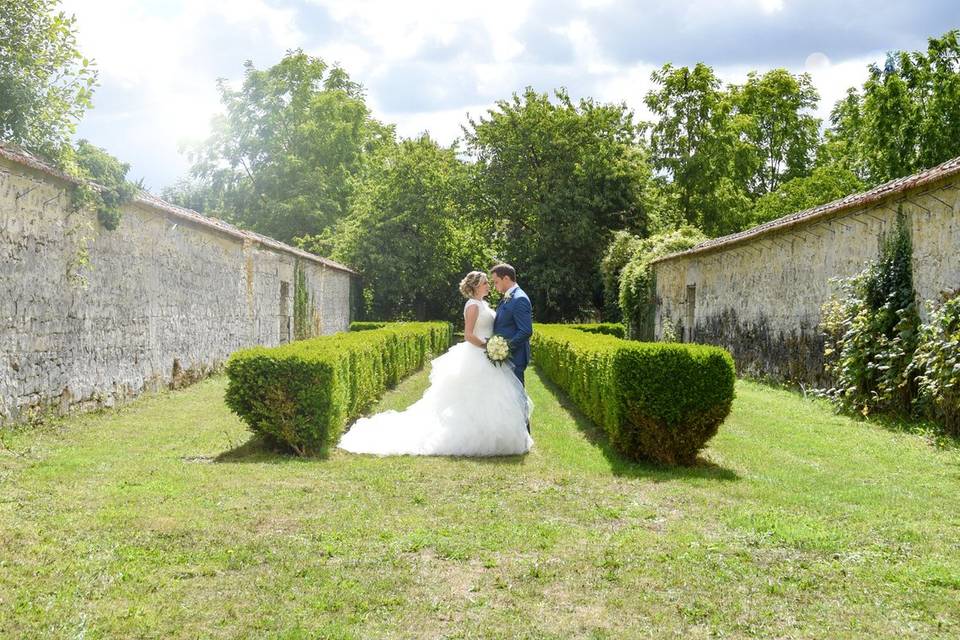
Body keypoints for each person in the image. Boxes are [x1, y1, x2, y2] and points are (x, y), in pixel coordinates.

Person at [337, 271, 533, 457]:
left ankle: (496, 435)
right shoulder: (473, 305)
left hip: (488, 355)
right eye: (484, 283)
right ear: (475, 286)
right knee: (470, 398)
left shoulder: (484, 303)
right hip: (479, 353)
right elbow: (468, 335)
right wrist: (488, 346)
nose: (488, 286)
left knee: (492, 398)